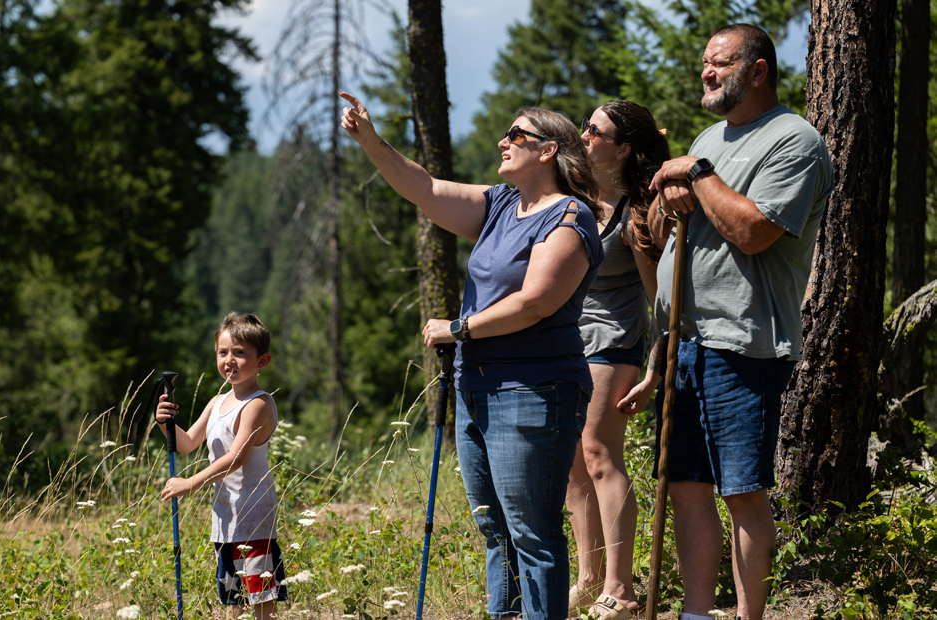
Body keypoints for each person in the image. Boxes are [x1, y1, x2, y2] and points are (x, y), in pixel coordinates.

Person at [340, 91, 604, 619]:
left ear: (549, 150)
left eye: (516, 135)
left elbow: (535, 302)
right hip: (476, 388)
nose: (503, 142)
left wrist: (459, 329)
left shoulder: (570, 217)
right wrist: (370, 139)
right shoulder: (503, 205)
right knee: (494, 525)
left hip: (534, 390)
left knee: (531, 531)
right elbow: (426, 188)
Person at [647, 24, 833, 620]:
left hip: (743, 343)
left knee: (743, 493)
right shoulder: (709, 136)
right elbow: (663, 227)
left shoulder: (794, 141)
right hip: (686, 340)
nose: (707, 72)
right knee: (686, 488)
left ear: (758, 71)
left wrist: (696, 175)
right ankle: (698, 614)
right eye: (704, 62)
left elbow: (753, 232)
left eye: (721, 63)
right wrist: (671, 195)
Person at [565, 100, 671, 619]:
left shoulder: (637, 215)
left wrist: (656, 369)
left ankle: (621, 589)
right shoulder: (576, 200)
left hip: (614, 340)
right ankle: (586, 578)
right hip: (567, 342)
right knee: (571, 461)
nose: (583, 136)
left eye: (594, 130)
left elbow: (661, 301)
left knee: (600, 454)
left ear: (623, 147)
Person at [156, 312, 287, 620]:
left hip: (254, 514)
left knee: (260, 595)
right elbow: (187, 443)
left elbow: (236, 457)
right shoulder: (216, 403)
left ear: (262, 361)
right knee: (234, 597)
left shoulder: (257, 404)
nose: (230, 360)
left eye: (240, 353)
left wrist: (190, 483)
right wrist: (164, 423)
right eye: (223, 352)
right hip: (226, 516)